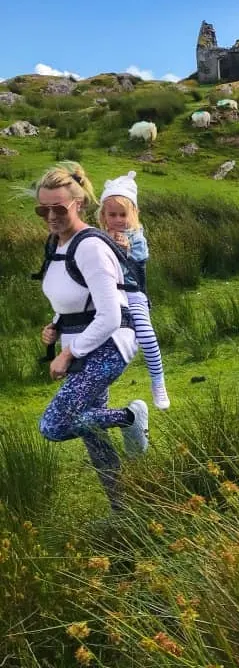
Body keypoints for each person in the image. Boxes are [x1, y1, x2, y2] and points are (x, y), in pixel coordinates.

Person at [35, 161, 148, 513]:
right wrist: (54, 325)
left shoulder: (90, 248)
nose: (51, 216)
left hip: (109, 346)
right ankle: (123, 512)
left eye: (59, 207)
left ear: (79, 203)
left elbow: (111, 314)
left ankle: (130, 417)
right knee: (90, 431)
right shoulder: (56, 245)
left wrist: (68, 354)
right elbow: (71, 296)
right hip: (84, 344)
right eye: (43, 208)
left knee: (54, 425)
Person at [98, 170, 170, 410]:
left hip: (131, 292)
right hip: (105, 296)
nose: (118, 219)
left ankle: (158, 382)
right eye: (112, 214)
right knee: (98, 341)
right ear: (104, 215)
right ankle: (98, 389)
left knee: (147, 335)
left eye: (123, 214)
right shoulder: (97, 237)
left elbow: (140, 261)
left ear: (134, 214)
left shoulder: (137, 238)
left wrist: (125, 249)